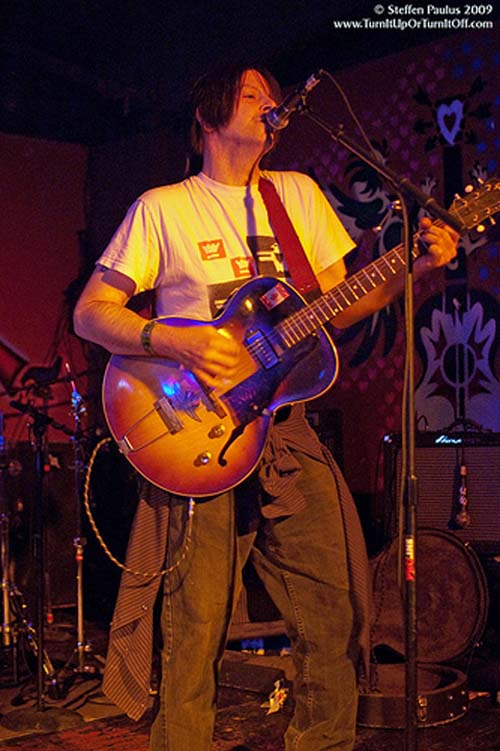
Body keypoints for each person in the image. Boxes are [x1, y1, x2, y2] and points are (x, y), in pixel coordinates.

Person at [73, 63, 458, 751]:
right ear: (210, 116)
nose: (270, 104)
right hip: (197, 433)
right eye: (252, 95)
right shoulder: (164, 207)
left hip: (286, 432)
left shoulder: (298, 197)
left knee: (336, 613)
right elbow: (91, 314)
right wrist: (170, 337)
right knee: (194, 632)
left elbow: (342, 304)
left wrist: (413, 264)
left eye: (273, 97)